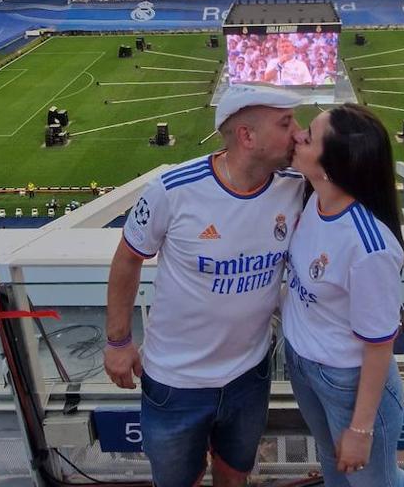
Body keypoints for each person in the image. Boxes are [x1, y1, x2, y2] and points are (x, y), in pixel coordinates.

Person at [103, 84, 305, 487]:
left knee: (235, 474)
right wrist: (118, 341)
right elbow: (127, 258)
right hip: (175, 383)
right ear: (247, 136)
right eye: (285, 123)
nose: (298, 132)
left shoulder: (295, 186)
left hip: (249, 376)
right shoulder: (172, 190)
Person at [283, 103, 404, 487]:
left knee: (374, 482)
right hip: (304, 365)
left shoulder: (369, 248)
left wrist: (361, 430)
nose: (297, 136)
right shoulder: (315, 198)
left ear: (330, 167)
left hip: (347, 382)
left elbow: (379, 345)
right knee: (334, 469)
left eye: (307, 137)